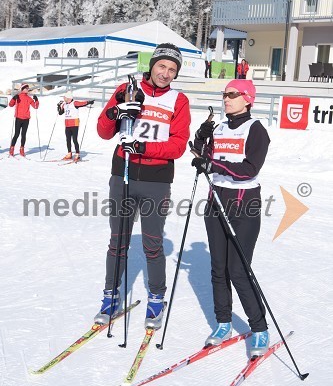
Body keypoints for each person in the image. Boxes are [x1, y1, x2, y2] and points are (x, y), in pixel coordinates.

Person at [95, 43, 191, 329]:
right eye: (162, 66)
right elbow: (103, 132)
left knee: (152, 243)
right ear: (152, 65)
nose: (165, 73)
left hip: (156, 180)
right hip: (122, 174)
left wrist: (142, 146)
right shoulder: (128, 89)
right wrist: (115, 112)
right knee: (118, 241)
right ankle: (110, 296)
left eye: (172, 70)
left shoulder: (178, 99)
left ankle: (156, 299)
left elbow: (178, 146)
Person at [191, 79, 270, 357]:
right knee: (218, 269)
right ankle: (223, 322)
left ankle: (259, 328)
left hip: (244, 206)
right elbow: (202, 155)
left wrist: (212, 164)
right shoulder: (220, 127)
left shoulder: (256, 129)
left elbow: (249, 168)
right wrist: (201, 137)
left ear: (247, 98)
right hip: (216, 203)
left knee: (238, 270)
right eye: (224, 94)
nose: (226, 99)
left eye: (232, 94)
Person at [57, 92, 94, 161]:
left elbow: (82, 104)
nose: (63, 98)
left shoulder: (74, 103)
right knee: (68, 139)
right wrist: (59, 107)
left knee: (74, 139)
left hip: (74, 124)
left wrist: (89, 102)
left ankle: (77, 154)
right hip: (67, 124)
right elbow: (60, 113)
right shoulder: (64, 104)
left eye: (65, 97)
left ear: (69, 98)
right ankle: (69, 153)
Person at [9, 83, 39, 157]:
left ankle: (22, 149)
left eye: (28, 88)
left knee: (23, 135)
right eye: (26, 88)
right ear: (22, 89)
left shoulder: (29, 98)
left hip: (26, 119)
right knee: (16, 134)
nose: (27, 89)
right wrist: (13, 98)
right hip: (19, 118)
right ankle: (12, 148)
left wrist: (36, 100)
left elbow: (35, 106)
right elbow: (10, 105)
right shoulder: (18, 97)